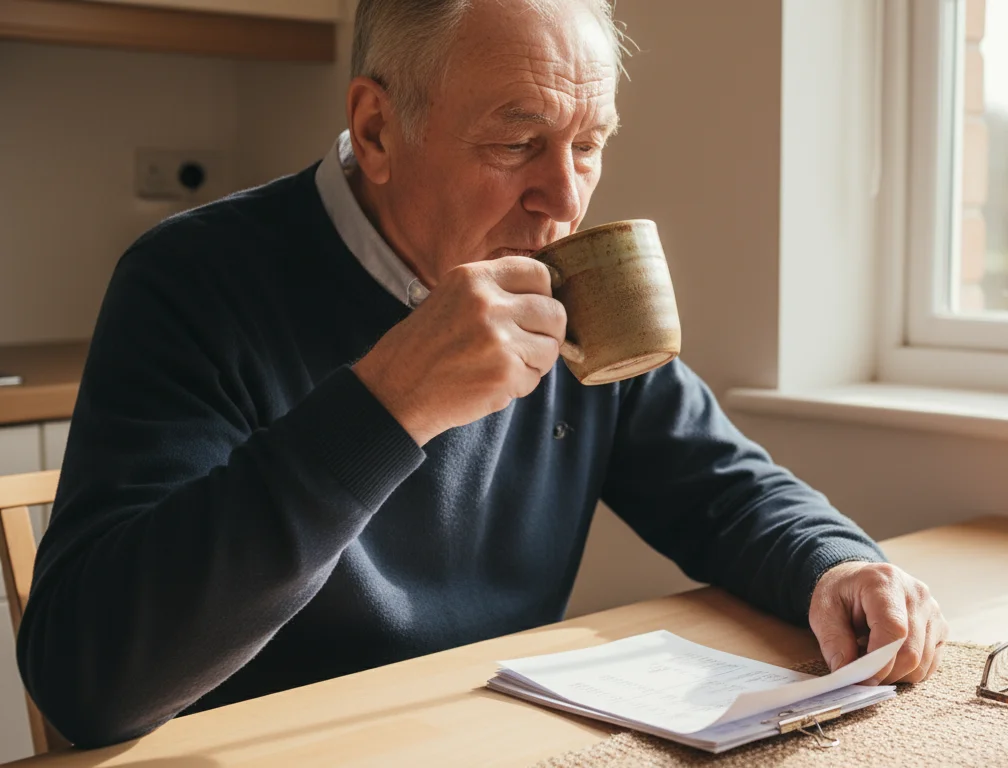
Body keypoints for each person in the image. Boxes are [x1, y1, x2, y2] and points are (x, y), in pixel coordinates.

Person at [18, 0, 947, 748]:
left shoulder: (570, 282)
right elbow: (90, 680)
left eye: (589, 143)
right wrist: (387, 406)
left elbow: (721, 489)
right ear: (376, 129)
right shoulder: (192, 282)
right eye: (517, 143)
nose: (567, 197)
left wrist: (836, 563)